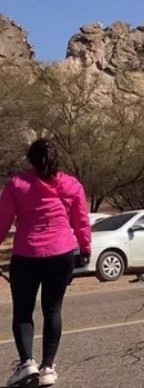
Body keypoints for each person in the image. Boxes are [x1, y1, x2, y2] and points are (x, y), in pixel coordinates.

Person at [0, 139, 92, 387]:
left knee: (23, 311)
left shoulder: (17, 184)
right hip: (61, 253)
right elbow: (81, 221)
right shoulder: (72, 185)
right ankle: (48, 368)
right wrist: (85, 248)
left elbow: (2, 221)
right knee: (52, 310)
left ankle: (26, 364)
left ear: (31, 159)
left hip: (26, 254)